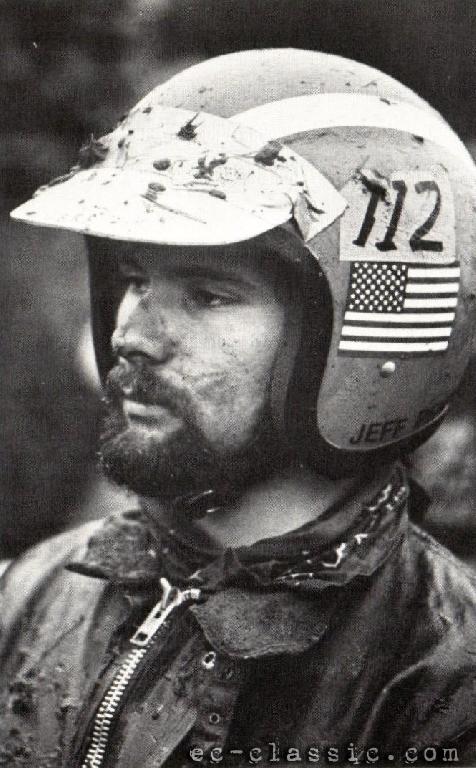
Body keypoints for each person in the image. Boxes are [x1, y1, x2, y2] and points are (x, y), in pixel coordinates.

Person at [2, 48, 476, 768]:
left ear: (354, 334)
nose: (132, 335)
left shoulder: (443, 678)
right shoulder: (37, 590)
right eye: (135, 280)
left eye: (208, 296)